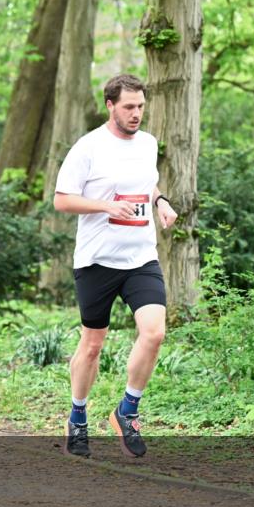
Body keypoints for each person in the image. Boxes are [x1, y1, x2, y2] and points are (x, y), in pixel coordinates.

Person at [53, 74, 178, 458]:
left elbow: (148, 184)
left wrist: (161, 203)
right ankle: (77, 418)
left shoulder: (148, 144)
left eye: (140, 106)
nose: (136, 113)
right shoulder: (88, 148)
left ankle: (127, 411)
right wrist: (106, 205)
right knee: (92, 346)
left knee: (154, 333)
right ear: (110, 105)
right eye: (128, 107)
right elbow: (62, 200)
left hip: (140, 257)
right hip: (97, 261)